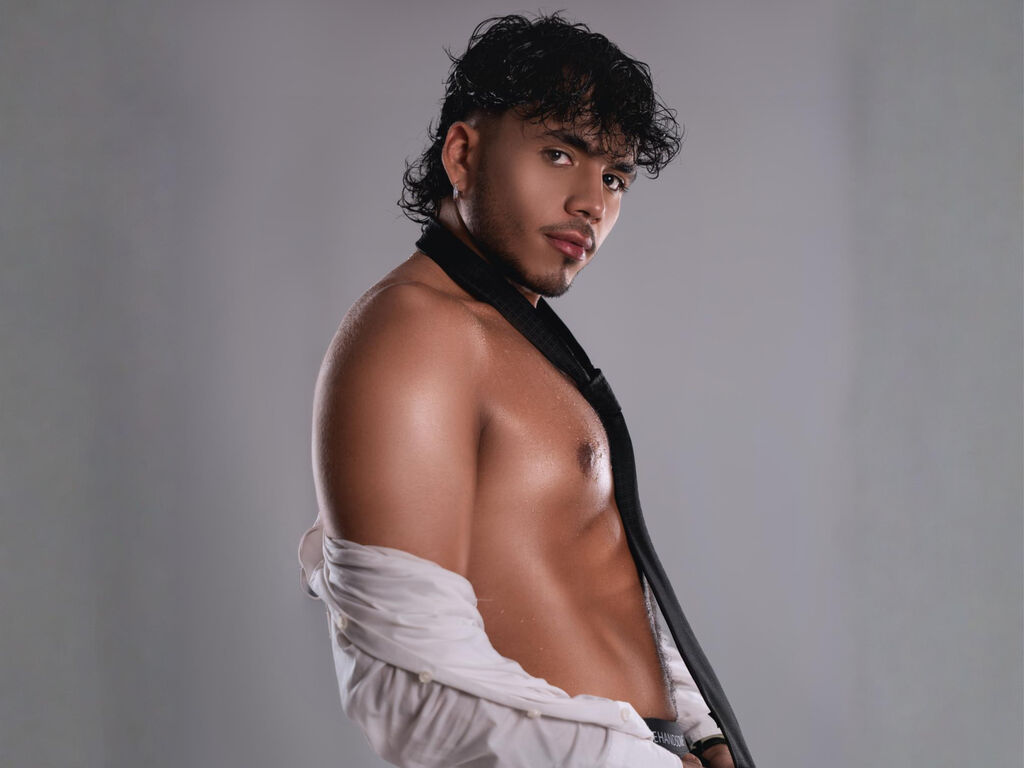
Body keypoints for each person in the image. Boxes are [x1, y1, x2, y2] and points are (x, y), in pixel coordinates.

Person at [299, 13, 738, 767]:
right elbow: (409, 692)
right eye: (559, 153)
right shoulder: (417, 332)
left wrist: (699, 732)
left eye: (614, 177)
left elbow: (594, 578)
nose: (592, 202)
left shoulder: (515, 336)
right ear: (463, 154)